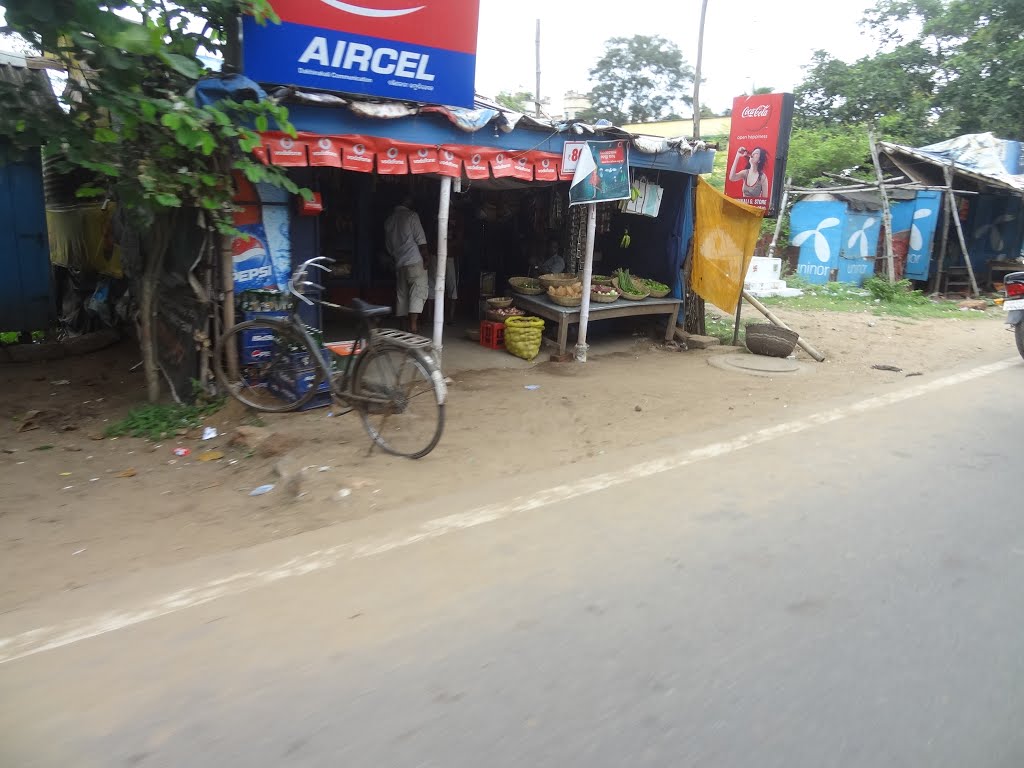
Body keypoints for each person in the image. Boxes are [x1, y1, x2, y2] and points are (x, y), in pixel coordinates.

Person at [384, 193, 430, 333]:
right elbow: (421, 240)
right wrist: (426, 258)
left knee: (401, 294)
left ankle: (402, 327)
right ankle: (413, 326)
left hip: (400, 262)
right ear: (406, 200)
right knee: (417, 291)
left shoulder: (389, 221)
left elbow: (389, 247)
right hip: (414, 260)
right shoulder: (412, 216)